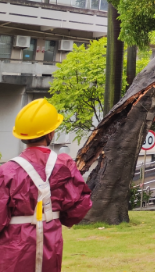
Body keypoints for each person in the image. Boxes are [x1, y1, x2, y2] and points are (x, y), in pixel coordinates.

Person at [0, 99, 92, 272]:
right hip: (51, 241)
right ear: (51, 133)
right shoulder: (64, 166)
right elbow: (78, 207)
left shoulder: (7, 171)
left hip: (14, 248)